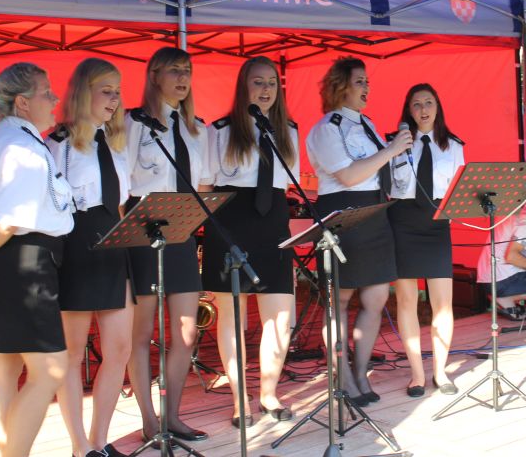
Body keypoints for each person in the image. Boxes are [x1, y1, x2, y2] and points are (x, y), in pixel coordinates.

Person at [0, 62, 74, 457]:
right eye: (46, 92)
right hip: (22, 263)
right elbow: (7, 222)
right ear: (22, 102)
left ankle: (7, 449)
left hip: (2, 264)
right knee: (51, 369)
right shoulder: (22, 146)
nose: (55, 99)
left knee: (4, 366)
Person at [305, 56, 413, 406]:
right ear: (340, 86)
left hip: (375, 212)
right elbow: (349, 176)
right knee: (340, 300)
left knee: (377, 297)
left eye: (367, 81)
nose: (367, 87)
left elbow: (379, 168)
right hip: (343, 212)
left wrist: (396, 154)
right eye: (359, 81)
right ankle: (343, 377)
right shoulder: (326, 128)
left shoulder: (367, 123)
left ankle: (361, 370)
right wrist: (391, 149)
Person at [200, 56, 298, 425]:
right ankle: (240, 398)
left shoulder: (288, 129)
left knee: (281, 316)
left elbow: (286, 183)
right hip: (230, 222)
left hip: (273, 223)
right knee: (232, 316)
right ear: (244, 86)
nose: (266, 89)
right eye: (258, 82)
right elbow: (205, 186)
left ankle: (269, 394)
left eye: (272, 82)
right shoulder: (220, 130)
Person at [45, 59, 134, 457]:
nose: (114, 99)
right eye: (106, 91)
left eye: (118, 92)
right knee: (72, 352)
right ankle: (79, 446)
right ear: (84, 93)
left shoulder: (115, 141)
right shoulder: (58, 142)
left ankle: (99, 440)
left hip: (115, 242)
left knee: (120, 349)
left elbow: (121, 202)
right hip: (76, 245)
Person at [124, 47, 211, 441]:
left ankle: (172, 415)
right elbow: (122, 185)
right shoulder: (133, 123)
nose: (183, 78)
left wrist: (193, 219)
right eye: (174, 70)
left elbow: (204, 184)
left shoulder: (197, 129)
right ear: (154, 75)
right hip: (142, 231)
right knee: (141, 333)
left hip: (182, 231)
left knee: (187, 332)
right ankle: (148, 420)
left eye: (187, 71)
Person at [387, 83, 464, 398]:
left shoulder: (453, 145)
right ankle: (416, 373)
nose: (423, 109)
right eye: (416, 104)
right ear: (409, 110)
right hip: (403, 221)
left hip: (437, 222)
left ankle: (440, 372)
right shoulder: (394, 143)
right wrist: (396, 146)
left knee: (442, 303)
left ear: (437, 107)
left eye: (428, 102)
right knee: (407, 301)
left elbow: (459, 188)